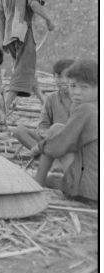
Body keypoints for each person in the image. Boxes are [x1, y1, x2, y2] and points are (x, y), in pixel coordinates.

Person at [31, 60, 97, 202]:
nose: (77, 92)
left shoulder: (87, 109)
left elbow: (60, 145)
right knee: (57, 130)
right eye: (73, 86)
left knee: (55, 131)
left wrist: (39, 147)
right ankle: (50, 180)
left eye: (84, 87)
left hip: (88, 191)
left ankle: (36, 185)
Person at [0, 0, 55, 110]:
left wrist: (4, 39)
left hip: (9, 36)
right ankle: (3, 109)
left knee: (26, 68)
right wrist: (49, 20)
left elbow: (0, 17)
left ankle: (45, 103)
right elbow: (34, 4)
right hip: (23, 32)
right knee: (22, 71)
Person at [13, 59, 75, 150]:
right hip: (54, 141)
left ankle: (49, 159)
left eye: (68, 76)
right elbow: (42, 127)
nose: (63, 81)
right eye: (59, 77)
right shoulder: (51, 99)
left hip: (75, 143)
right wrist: (51, 134)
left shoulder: (83, 99)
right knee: (19, 131)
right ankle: (48, 157)